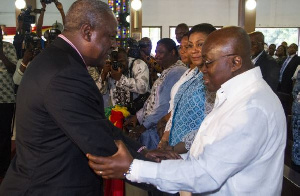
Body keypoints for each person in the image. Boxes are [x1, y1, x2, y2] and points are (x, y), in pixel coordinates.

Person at [87, 26, 286, 196]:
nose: (203, 69)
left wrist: (132, 167)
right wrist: (175, 158)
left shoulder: (251, 107)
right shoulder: (235, 96)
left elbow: (207, 174)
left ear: (235, 62)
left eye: (209, 62)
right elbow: (213, 152)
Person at [0, 1, 171, 195]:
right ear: (87, 32)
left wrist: (143, 151)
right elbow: (98, 143)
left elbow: (99, 125)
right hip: (48, 186)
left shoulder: (59, 60)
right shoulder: (64, 72)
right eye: (110, 36)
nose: (114, 45)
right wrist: (163, 176)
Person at [158, 24, 216, 154]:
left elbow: (210, 126)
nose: (194, 50)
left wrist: (176, 148)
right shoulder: (191, 74)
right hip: (174, 149)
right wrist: (165, 140)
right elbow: (176, 110)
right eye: (190, 46)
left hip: (194, 152)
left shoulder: (214, 79)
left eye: (200, 44)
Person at [124, 38, 187, 150]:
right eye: (156, 52)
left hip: (157, 128)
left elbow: (164, 106)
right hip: (151, 123)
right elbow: (153, 99)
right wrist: (138, 116)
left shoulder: (177, 71)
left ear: (172, 52)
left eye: (161, 52)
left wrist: (143, 127)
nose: (156, 56)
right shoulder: (169, 69)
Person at [0, 28, 17, 180]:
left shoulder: (8, 47)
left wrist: (2, 55)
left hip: (6, 100)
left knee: (5, 135)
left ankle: (4, 168)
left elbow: (13, 70)